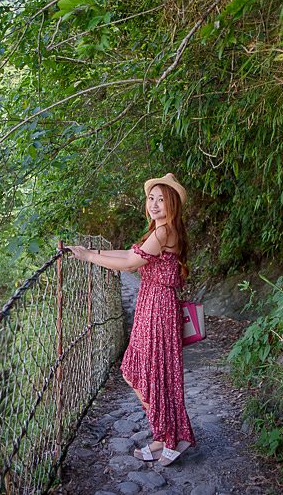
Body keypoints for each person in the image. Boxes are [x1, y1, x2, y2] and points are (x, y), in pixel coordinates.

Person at [66, 172, 196, 467]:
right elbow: (129, 253)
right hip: (153, 305)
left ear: (173, 203)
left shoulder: (164, 232)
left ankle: (167, 436)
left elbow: (128, 264)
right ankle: (167, 435)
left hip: (159, 309)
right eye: (151, 198)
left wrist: (89, 259)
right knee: (148, 372)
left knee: (147, 371)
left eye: (162, 199)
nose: (154, 204)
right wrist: (93, 251)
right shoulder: (160, 230)